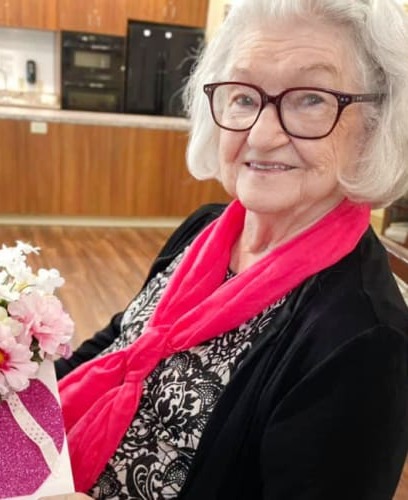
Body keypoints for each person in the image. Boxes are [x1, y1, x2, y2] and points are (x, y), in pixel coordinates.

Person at [55, 0, 408, 498]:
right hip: (52, 466)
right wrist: (19, 396)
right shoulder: (206, 230)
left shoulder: (365, 342)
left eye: (311, 99)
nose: (262, 136)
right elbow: (122, 340)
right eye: (244, 97)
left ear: (375, 126)